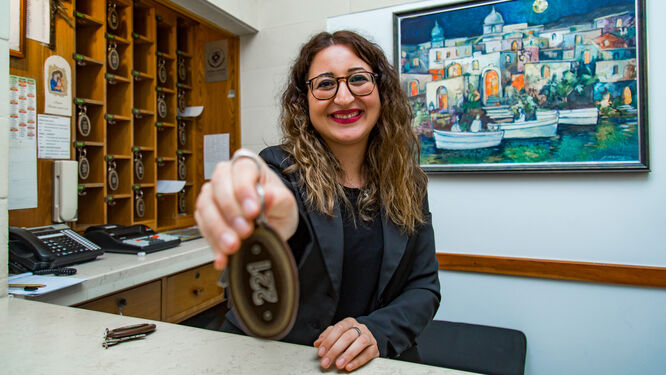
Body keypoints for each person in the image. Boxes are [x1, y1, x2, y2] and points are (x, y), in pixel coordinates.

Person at [195, 30, 440, 372]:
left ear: (381, 91)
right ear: (303, 100)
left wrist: (376, 331)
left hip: (379, 363)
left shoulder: (409, 182)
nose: (343, 97)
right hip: (284, 363)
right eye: (325, 84)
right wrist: (268, 230)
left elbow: (424, 287)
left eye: (358, 79)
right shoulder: (279, 170)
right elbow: (261, 280)